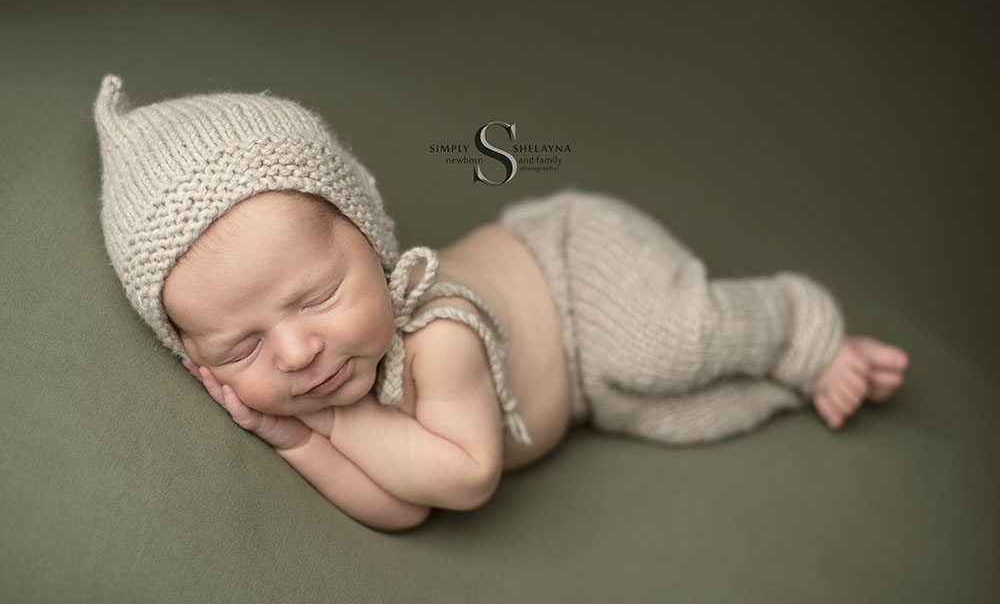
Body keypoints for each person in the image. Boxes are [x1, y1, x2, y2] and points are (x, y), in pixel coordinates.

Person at [93, 74, 909, 531]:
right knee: (668, 407)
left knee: (676, 343)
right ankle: (788, 384)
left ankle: (802, 329)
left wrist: (335, 426)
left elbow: (468, 473)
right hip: (581, 387)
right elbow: (406, 508)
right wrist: (293, 439)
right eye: (240, 349)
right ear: (193, 358)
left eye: (316, 295)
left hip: (575, 271)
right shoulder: (309, 381)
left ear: (376, 246)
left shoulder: (440, 332)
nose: (296, 352)